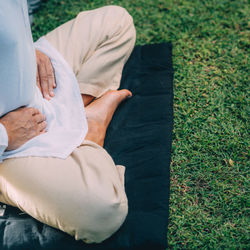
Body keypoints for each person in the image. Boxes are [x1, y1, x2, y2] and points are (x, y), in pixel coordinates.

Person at [0, 0, 136, 244]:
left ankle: (82, 111)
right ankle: (86, 136)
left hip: (36, 86)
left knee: (116, 23)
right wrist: (6, 133)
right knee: (102, 212)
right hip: (8, 148)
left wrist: (27, 52)